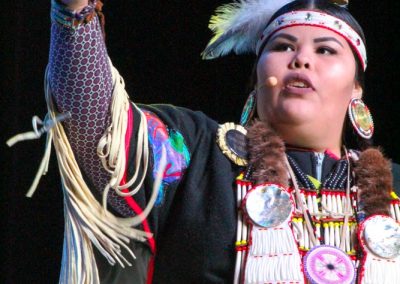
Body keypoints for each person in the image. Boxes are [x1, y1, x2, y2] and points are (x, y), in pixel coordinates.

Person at [11, 0, 400, 283]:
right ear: (256, 82)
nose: (300, 59)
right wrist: (73, 9)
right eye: (282, 47)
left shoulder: (396, 190)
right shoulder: (202, 156)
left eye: (325, 50)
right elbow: (99, 132)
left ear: (357, 90)